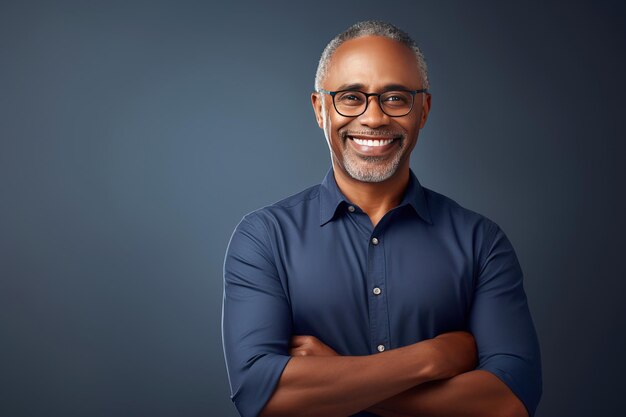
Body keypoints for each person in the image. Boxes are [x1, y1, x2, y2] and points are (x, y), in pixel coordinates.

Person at [222, 21, 542, 417]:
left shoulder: (481, 242)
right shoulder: (264, 239)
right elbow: (262, 396)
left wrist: (331, 376)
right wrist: (433, 358)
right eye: (351, 97)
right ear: (320, 109)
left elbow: (509, 401)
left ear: (422, 110)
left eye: (394, 97)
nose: (373, 118)